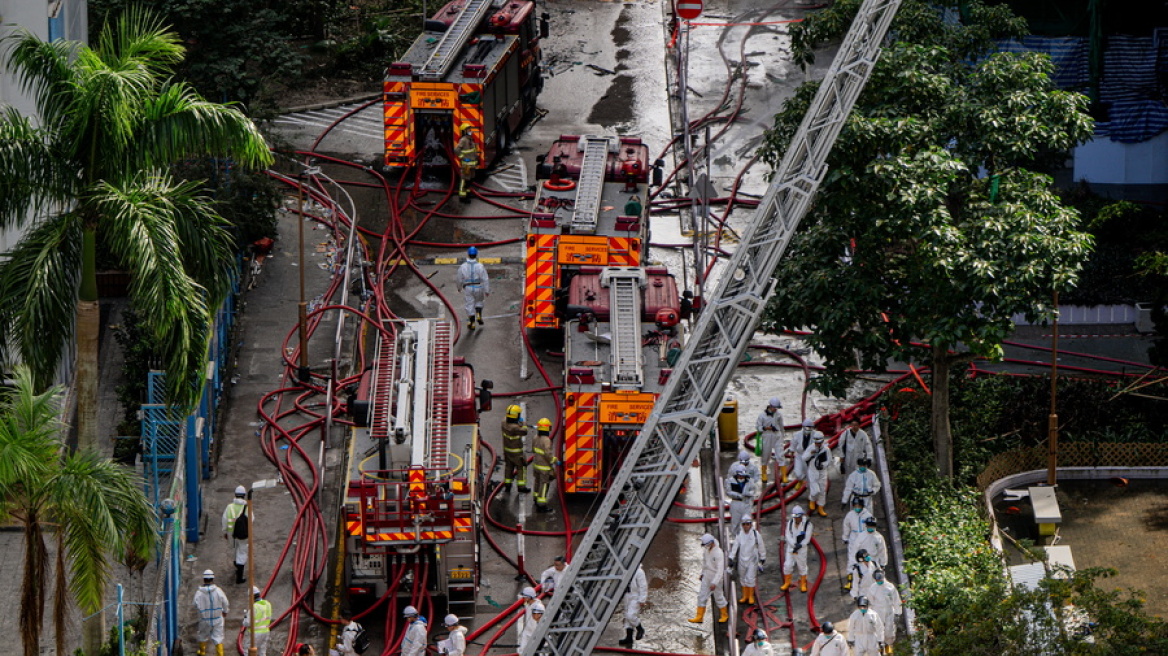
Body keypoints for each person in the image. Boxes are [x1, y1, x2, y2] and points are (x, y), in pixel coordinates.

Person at [688, 533, 729, 624]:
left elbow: (720, 570)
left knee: (718, 597)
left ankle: (724, 614)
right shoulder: (707, 551)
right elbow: (705, 563)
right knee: (702, 595)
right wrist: (702, 573)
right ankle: (699, 616)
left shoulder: (718, 553)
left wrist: (714, 582)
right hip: (707, 576)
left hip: (715, 578)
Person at [728, 515, 766, 605]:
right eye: (744, 524)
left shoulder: (756, 535)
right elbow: (735, 546)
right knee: (742, 577)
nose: (746, 526)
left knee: (750, 578)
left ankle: (751, 596)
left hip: (752, 560)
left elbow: (761, 546)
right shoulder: (739, 535)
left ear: (750, 524)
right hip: (742, 560)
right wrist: (731, 557)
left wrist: (763, 557)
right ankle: (745, 596)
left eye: (747, 524)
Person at [193, 569, 229, 656]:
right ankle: (220, 654)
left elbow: (194, 604)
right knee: (218, 637)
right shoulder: (218, 591)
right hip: (217, 618)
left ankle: (202, 652)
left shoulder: (199, 593)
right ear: (213, 579)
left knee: (202, 636)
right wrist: (225, 611)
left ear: (203, 579)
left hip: (204, 619)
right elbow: (225, 602)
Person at [867, 570, 902, 654]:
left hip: (889, 611)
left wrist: (898, 613)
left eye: (880, 580)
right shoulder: (872, 588)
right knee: (878, 630)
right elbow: (870, 602)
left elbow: (896, 601)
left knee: (889, 630)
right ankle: (880, 646)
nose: (879, 581)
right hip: (877, 611)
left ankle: (888, 645)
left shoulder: (890, 587)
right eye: (877, 580)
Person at [842, 497, 874, 589]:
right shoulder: (850, 515)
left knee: (866, 558)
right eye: (855, 506)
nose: (857, 507)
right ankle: (850, 580)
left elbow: (871, 527)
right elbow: (846, 526)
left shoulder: (867, 515)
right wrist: (845, 537)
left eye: (859, 505)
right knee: (852, 558)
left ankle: (866, 578)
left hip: (864, 537)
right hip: (853, 538)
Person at [781, 505, 813, 593]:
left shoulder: (807, 525)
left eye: (798, 517)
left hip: (801, 549)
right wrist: (793, 544)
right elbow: (787, 535)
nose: (796, 519)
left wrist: (800, 545)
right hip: (791, 548)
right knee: (787, 565)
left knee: (802, 566)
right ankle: (787, 582)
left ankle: (803, 583)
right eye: (795, 517)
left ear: (801, 516)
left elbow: (807, 538)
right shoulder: (790, 523)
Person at [456, 246, 490, 330]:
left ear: (468, 254)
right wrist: (487, 290)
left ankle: (472, 322)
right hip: (478, 286)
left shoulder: (463, 266)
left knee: (469, 305)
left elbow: (459, 278)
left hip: (468, 287)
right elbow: (485, 278)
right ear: (476, 254)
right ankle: (478, 314)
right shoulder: (480, 266)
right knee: (479, 301)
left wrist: (459, 287)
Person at [222, 485, 249, 584]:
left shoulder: (229, 507)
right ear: (244, 495)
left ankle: (236, 565)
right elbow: (252, 519)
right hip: (243, 534)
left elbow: (224, 520)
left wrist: (225, 532)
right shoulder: (247, 507)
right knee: (242, 552)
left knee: (234, 550)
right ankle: (240, 576)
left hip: (231, 534)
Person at [801, 434, 832, 517]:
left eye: (819, 443)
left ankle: (820, 507)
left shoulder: (826, 450)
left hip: (822, 471)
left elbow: (829, 460)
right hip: (813, 471)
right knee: (815, 490)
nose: (818, 445)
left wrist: (823, 465)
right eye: (816, 443)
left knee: (822, 490)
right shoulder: (811, 448)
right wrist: (810, 454)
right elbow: (804, 458)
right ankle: (812, 499)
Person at [502, 404, 530, 492]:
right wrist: (523, 423)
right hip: (517, 453)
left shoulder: (503, 422)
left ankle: (508, 485)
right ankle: (521, 487)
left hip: (507, 451)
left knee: (509, 467)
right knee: (521, 468)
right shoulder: (514, 428)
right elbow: (525, 431)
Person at [531, 418, 558, 512]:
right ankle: (541, 505)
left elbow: (534, 449)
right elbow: (548, 454)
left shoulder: (535, 437)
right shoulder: (546, 440)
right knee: (544, 485)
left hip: (536, 465)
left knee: (537, 482)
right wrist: (554, 460)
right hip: (544, 467)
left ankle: (535, 498)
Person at [755, 398, 784, 483]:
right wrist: (765, 428)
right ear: (770, 406)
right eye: (775, 408)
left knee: (780, 454)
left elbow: (781, 426)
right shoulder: (762, 416)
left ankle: (784, 475)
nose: (776, 409)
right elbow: (758, 427)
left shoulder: (778, 415)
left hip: (776, 435)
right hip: (766, 435)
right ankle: (764, 473)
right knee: (766, 454)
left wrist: (782, 435)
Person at [620, 563, 648, 647]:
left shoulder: (639, 572)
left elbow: (643, 586)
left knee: (631, 615)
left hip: (635, 596)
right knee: (627, 617)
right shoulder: (626, 570)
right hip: (627, 595)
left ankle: (640, 628)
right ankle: (629, 638)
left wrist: (642, 599)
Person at [790, 419, 823, 488]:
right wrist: (791, 456)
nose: (809, 429)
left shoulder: (816, 434)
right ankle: (801, 480)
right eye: (807, 427)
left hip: (810, 457)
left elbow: (821, 444)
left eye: (810, 427)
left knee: (810, 475)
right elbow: (793, 445)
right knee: (798, 473)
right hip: (800, 456)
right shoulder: (797, 434)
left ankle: (809, 489)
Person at [242, 586, 273, 656]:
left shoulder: (254, 607)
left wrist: (245, 617)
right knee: (262, 652)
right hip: (265, 632)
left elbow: (246, 623)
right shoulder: (268, 604)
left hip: (255, 634)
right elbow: (269, 618)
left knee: (248, 651)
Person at [455, 124, 478, 199]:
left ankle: (468, 193)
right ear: (464, 131)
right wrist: (462, 157)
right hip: (466, 165)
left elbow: (473, 151)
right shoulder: (463, 140)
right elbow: (456, 150)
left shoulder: (470, 139)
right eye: (468, 130)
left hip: (472, 164)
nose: (470, 131)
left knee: (470, 179)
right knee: (465, 180)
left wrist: (476, 158)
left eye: (470, 129)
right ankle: (462, 196)